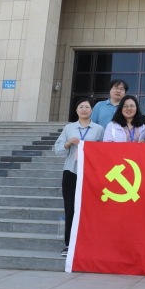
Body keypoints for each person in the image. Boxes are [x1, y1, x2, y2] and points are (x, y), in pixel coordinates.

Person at [54, 98, 104, 256]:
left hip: (90, 173)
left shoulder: (98, 129)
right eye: (81, 107)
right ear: (76, 111)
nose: (84, 109)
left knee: (89, 208)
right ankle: (69, 244)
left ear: (91, 110)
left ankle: (87, 243)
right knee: (70, 208)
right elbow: (58, 149)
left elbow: (103, 151)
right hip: (71, 171)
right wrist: (68, 143)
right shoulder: (69, 128)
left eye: (87, 107)